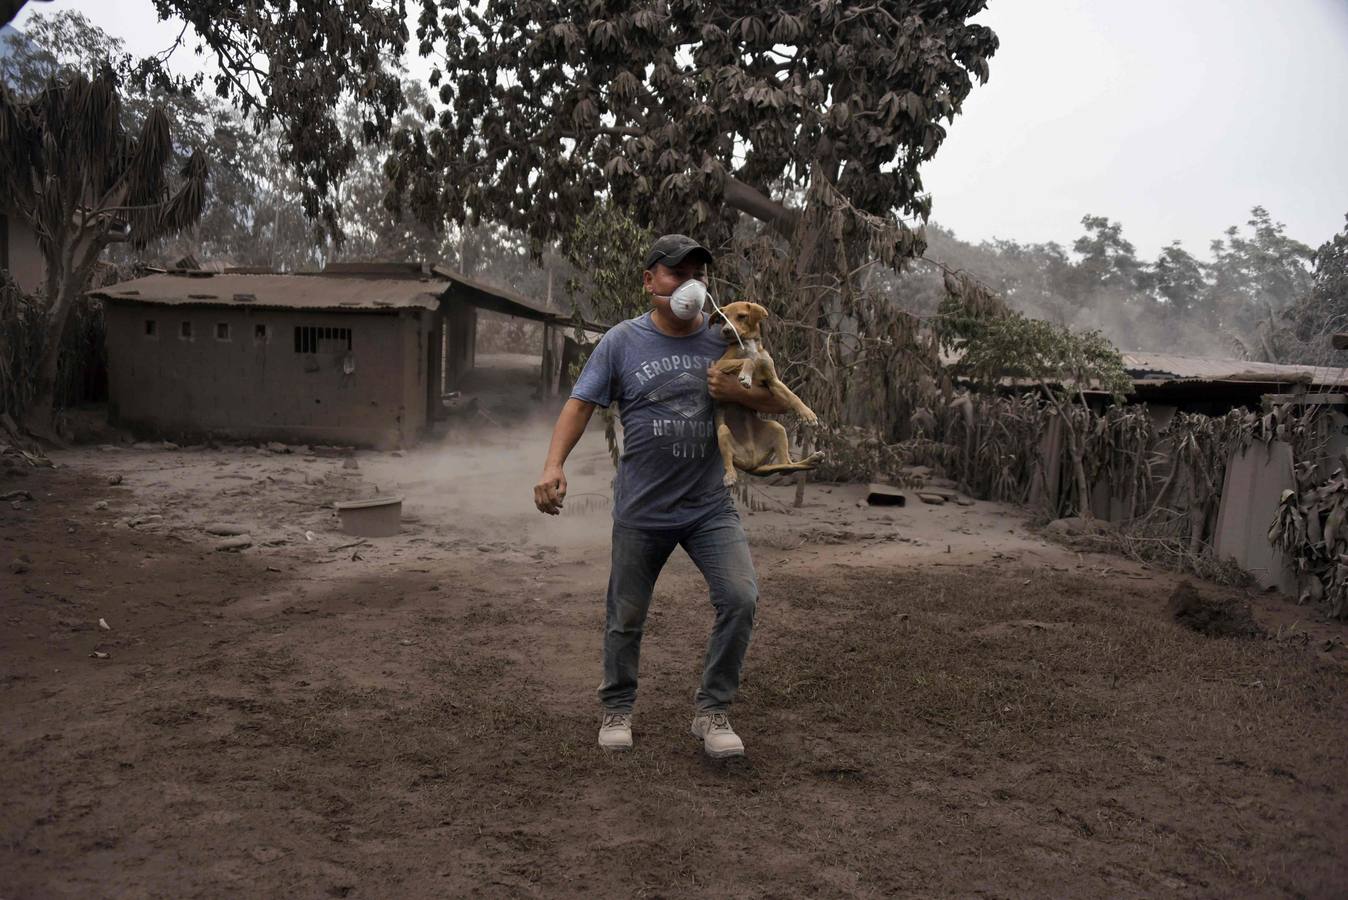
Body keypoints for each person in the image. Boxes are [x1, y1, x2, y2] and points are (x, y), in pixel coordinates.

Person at [533, 234, 790, 758]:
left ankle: (713, 712)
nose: (690, 284)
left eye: (698, 274)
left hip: (708, 505)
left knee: (740, 598)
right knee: (626, 614)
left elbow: (777, 399)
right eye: (676, 273)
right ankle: (617, 708)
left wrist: (738, 392)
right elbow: (581, 404)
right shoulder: (622, 342)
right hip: (642, 506)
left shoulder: (728, 339)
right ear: (650, 281)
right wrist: (553, 464)